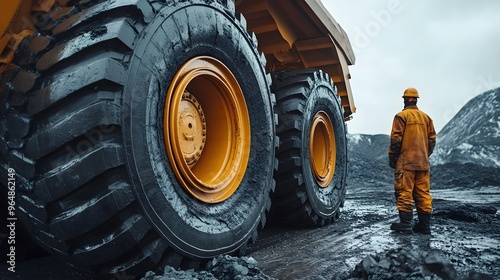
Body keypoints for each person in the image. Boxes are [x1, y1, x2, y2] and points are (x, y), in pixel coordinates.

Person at [388, 88, 436, 234]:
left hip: (406, 163)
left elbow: (396, 140)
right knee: (423, 193)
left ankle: (406, 223)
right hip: (423, 164)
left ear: (407, 99)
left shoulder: (401, 116)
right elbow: (432, 140)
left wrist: (393, 158)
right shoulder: (426, 118)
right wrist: (424, 156)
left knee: (404, 191)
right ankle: (424, 225)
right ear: (415, 100)